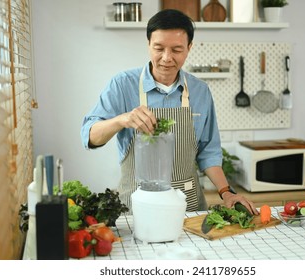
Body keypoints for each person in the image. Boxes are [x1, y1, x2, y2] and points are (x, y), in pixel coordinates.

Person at [81, 9, 259, 215]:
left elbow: (209, 152)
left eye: (176, 50)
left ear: (189, 48)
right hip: (136, 208)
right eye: (159, 48)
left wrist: (226, 192)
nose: (166, 58)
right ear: (148, 44)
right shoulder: (122, 84)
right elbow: (89, 136)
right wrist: (123, 119)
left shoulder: (200, 91)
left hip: (188, 209)